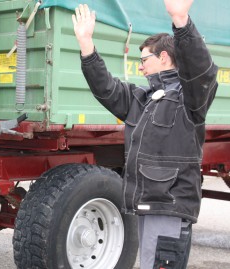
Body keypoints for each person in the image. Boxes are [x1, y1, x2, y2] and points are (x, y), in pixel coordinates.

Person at [71, 0, 218, 268]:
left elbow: (201, 71)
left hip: (169, 206)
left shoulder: (189, 98)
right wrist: (86, 45)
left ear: (163, 57)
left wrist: (181, 21)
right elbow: (106, 89)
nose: (140, 67)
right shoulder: (143, 98)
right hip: (148, 203)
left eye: (144, 60)